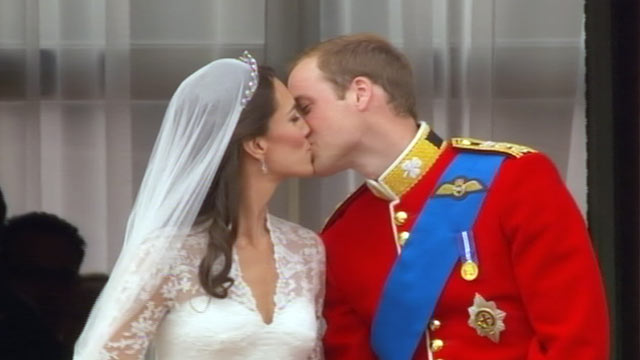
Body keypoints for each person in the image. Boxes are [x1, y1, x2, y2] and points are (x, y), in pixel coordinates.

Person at [288, 34, 609, 360]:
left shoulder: (513, 179)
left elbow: (576, 343)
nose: (299, 129)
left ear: (360, 93)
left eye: (305, 108)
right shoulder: (342, 234)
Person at [75, 53, 325, 360]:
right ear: (257, 144)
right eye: (294, 118)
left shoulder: (306, 250)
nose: (308, 130)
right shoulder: (168, 252)